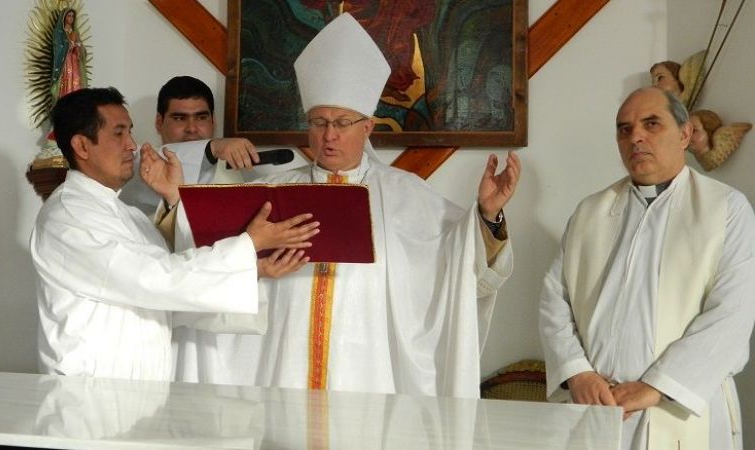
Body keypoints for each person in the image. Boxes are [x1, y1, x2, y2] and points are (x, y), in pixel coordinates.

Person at [168, 13, 519, 398]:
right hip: (281, 366)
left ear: (367, 127)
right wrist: (175, 203)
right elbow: (205, 259)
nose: (329, 135)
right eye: (318, 122)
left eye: (341, 122)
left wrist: (487, 215)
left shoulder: (408, 195)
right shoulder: (272, 192)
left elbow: (460, 261)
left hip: (368, 371)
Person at [30, 87, 319, 381]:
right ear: (82, 146)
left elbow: (175, 288)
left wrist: (252, 268)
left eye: (130, 132)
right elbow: (158, 279)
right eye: (119, 134)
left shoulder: (125, 215)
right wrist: (248, 246)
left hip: (138, 396)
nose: (132, 145)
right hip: (87, 399)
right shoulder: (69, 218)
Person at [539, 87, 755, 449]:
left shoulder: (727, 210)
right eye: (624, 129)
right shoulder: (589, 213)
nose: (635, 136)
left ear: (685, 134)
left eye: (651, 124)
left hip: (679, 409)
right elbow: (554, 300)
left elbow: (733, 314)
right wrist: (577, 373)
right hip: (598, 407)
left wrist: (655, 386)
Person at [119, 76, 259, 217]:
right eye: (179, 118)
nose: (192, 128)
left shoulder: (239, 173)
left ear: (213, 122)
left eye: (201, 118)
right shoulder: (136, 165)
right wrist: (214, 147)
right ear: (159, 123)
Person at [51, 9, 87, 102]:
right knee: (66, 85)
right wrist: (70, 45)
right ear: (64, 18)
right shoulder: (59, 33)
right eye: (69, 16)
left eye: (72, 16)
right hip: (65, 64)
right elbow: (58, 49)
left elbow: (82, 50)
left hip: (74, 62)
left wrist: (79, 47)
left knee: (76, 84)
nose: (71, 18)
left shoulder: (75, 32)